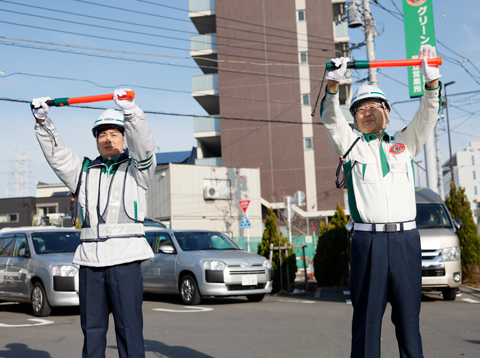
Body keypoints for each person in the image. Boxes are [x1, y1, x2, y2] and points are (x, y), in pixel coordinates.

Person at [319, 45, 441, 358]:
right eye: (361, 108)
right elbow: (330, 117)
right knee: (367, 320)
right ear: (355, 117)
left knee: (409, 319)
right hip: (367, 242)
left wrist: (431, 85)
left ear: (387, 111)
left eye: (375, 106)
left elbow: (428, 117)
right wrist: (333, 86)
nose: (368, 111)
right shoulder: (350, 145)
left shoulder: (404, 142)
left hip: (406, 241)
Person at [32, 88, 156, 358]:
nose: (107, 139)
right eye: (102, 134)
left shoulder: (139, 169)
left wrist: (132, 113)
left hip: (126, 261)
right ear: (96, 140)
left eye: (114, 134)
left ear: (124, 138)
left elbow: (144, 146)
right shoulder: (84, 171)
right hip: (90, 264)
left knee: (129, 330)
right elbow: (58, 156)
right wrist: (43, 124)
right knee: (92, 330)